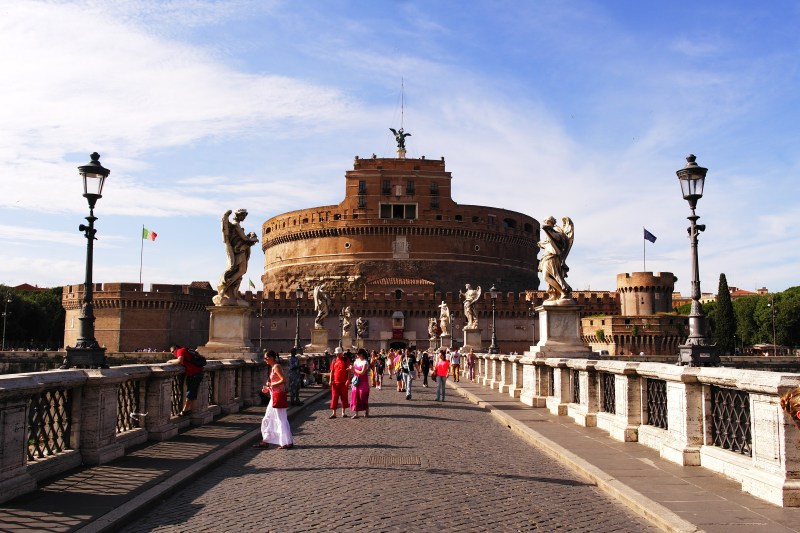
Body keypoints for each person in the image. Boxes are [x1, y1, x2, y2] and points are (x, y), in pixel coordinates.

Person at [214, 209, 259, 306]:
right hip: (238, 252)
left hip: (241, 252)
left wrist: (251, 238)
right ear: (239, 215)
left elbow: (243, 239)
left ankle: (232, 292)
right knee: (238, 271)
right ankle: (224, 290)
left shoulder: (237, 225)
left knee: (241, 271)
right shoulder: (235, 224)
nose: (244, 218)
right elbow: (244, 238)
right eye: (243, 216)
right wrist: (253, 238)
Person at [254, 350, 293, 449]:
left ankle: (285, 442)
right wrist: (268, 388)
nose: (265, 360)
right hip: (274, 396)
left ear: (271, 358)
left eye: (266, 358)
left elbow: (283, 380)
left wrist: (271, 384)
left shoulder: (276, 367)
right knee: (270, 418)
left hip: (277, 396)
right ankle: (267, 441)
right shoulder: (273, 367)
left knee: (278, 419)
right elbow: (277, 382)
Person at [538, 216, 574, 302]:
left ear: (551, 221)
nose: (546, 223)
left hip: (553, 256)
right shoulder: (550, 230)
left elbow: (559, 238)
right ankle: (554, 294)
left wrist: (549, 230)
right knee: (549, 276)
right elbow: (549, 243)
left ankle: (564, 292)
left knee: (551, 276)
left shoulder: (556, 229)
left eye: (547, 221)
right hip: (547, 255)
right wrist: (542, 243)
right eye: (545, 221)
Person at [169, 344, 203, 416]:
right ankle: (189, 410)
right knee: (193, 393)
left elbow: (179, 360)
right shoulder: (185, 350)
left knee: (190, 393)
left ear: (176, 349)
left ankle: (184, 411)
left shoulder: (180, 351)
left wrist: (169, 361)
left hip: (193, 374)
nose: (172, 354)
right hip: (198, 372)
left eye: (172, 352)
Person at [328, 346, 351, 418]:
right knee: (334, 397)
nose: (337, 354)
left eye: (338, 353)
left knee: (344, 397)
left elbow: (349, 371)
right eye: (336, 353)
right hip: (335, 382)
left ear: (341, 353)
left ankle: (343, 412)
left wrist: (348, 380)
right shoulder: (334, 360)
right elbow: (332, 371)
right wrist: (330, 380)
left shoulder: (346, 360)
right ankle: (334, 413)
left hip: (344, 382)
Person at [350, 349, 371, 418]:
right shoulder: (356, 361)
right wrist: (351, 369)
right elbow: (353, 371)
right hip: (356, 381)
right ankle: (356, 413)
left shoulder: (365, 362)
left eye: (358, 354)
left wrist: (354, 369)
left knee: (363, 396)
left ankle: (366, 410)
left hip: (363, 382)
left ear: (361, 354)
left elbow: (362, 372)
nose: (357, 355)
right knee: (355, 396)